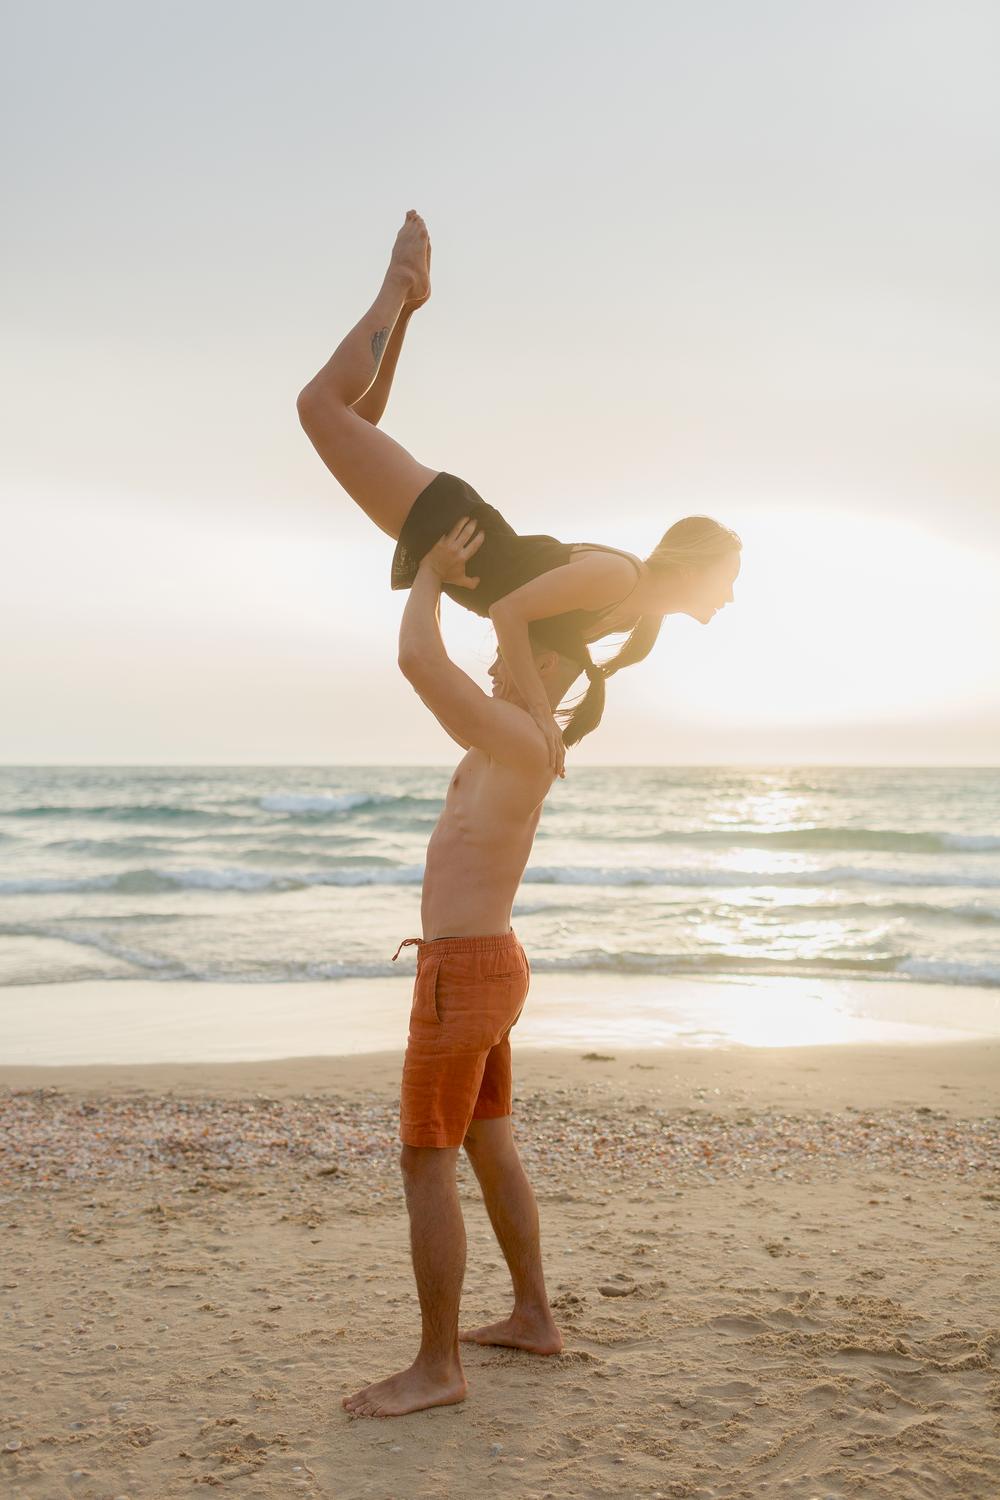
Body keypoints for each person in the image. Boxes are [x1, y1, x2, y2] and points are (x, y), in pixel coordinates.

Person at [296, 211, 742, 778]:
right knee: (319, 408)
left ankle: (409, 300)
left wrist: (528, 721)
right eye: (728, 578)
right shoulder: (621, 579)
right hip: (454, 522)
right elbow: (509, 612)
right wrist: (539, 717)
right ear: (694, 568)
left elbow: (525, 634)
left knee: (355, 421)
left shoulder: (635, 619)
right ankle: (400, 284)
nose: (729, 596)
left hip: (457, 539)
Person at [342, 516, 583, 1420]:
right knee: (485, 1142)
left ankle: (437, 1367)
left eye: (509, 657)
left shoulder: (519, 738)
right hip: (484, 964)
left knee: (424, 1160)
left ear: (548, 669)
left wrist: (434, 575)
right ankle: (531, 1317)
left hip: (466, 973)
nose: (491, 665)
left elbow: (418, 664)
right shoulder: (517, 739)